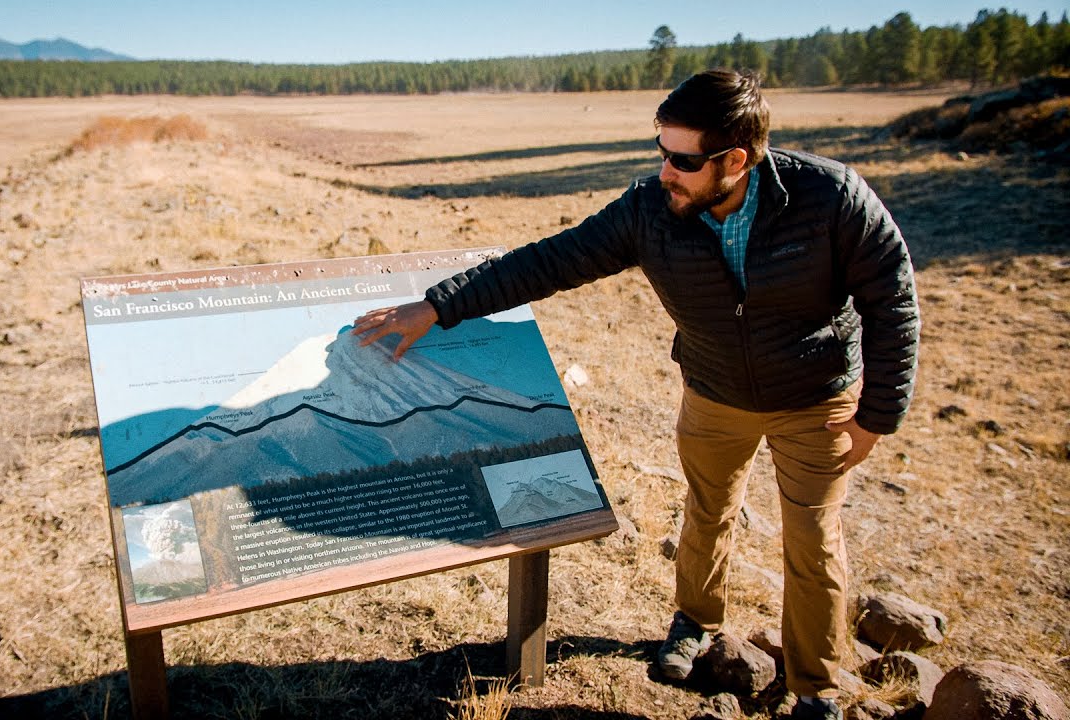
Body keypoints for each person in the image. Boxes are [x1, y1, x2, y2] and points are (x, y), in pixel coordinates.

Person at [351, 69, 918, 720]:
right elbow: (550, 260)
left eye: (684, 160)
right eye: (661, 152)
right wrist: (438, 305)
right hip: (713, 392)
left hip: (815, 398)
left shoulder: (831, 198)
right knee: (707, 512)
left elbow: (892, 299)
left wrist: (878, 414)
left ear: (736, 160)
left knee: (813, 541)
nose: (665, 172)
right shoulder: (650, 208)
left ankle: (815, 687)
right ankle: (696, 622)